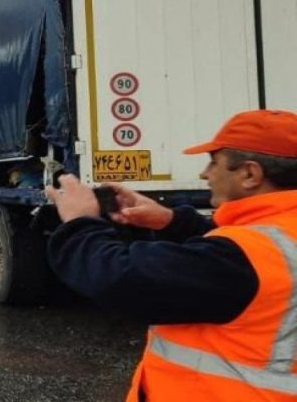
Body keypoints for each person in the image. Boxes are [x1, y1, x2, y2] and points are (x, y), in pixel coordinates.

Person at [45, 109, 297, 401]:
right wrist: (170, 221)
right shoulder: (272, 243)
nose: (204, 173)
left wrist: (80, 223)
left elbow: (118, 279)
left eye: (214, 162)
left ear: (250, 174)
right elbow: (245, 267)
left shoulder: (240, 258)